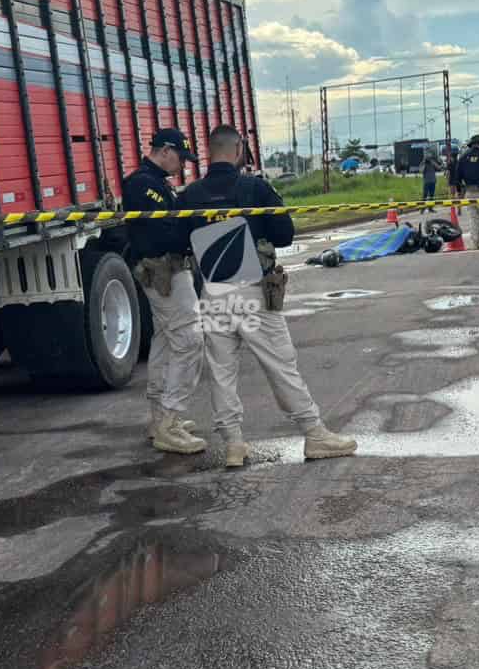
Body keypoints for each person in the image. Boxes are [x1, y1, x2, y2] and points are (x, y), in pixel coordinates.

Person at [179, 124, 358, 465]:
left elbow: (179, 240)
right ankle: (314, 434)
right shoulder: (255, 188)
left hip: (212, 292)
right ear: (238, 150)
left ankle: (233, 444)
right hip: (251, 291)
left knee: (221, 371)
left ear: (210, 151)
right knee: (280, 364)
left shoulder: (189, 195)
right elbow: (284, 233)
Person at [122, 128, 207, 455]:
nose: (182, 165)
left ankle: (161, 418)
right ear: (166, 150)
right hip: (164, 272)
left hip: (165, 270)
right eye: (180, 158)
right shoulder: (143, 184)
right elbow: (165, 232)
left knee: (166, 340)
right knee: (189, 339)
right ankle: (169, 422)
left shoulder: (154, 182)